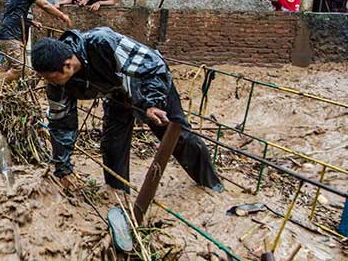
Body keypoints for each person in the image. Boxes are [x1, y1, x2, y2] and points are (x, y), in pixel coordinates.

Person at [30, 27, 223, 193]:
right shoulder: (57, 84)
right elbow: (60, 123)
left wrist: (152, 102)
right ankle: (118, 193)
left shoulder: (102, 42)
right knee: (112, 144)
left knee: (177, 137)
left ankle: (210, 185)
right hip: (116, 96)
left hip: (149, 85)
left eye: (51, 77)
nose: (49, 82)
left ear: (67, 65)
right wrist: (63, 169)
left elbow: (153, 65)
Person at [0, 0, 72, 83]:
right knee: (19, 69)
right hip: (11, 34)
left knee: (23, 69)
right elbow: (45, 5)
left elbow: (15, 9)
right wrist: (62, 15)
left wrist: (31, 22)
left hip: (11, 31)